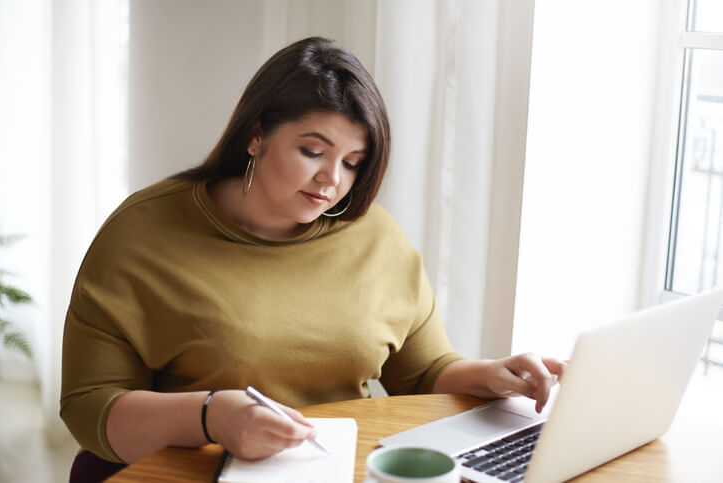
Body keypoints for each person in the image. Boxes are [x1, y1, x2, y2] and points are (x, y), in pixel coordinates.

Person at [60, 36, 565, 481]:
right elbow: (89, 406)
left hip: (338, 467)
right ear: (256, 135)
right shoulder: (143, 232)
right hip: (190, 467)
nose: (332, 180)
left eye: (352, 162)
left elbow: (424, 370)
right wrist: (211, 415)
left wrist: (495, 375)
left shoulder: (375, 237)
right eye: (312, 151)